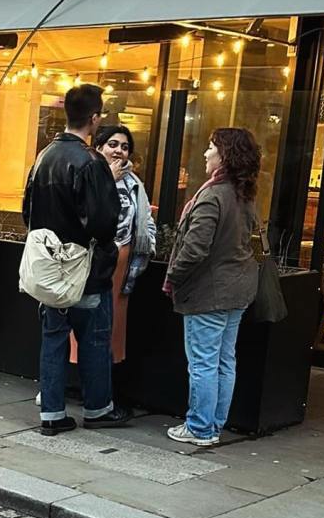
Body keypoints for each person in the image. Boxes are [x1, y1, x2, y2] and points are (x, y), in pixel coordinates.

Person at [23, 83, 132, 435]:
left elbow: (28, 211)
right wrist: (111, 185)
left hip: (49, 267)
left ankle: (52, 413)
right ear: (95, 118)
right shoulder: (90, 162)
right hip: (85, 268)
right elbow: (103, 222)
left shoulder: (44, 157)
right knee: (95, 340)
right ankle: (98, 408)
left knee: (53, 338)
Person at [165, 127, 260, 447]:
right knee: (223, 360)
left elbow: (194, 249)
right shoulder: (243, 193)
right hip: (238, 289)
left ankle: (200, 427)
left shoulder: (212, 195)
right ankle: (214, 424)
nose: (205, 153)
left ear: (225, 156)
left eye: (211, 148)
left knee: (203, 362)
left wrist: (174, 277)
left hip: (209, 291)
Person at [73, 125, 156, 366]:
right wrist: (108, 179)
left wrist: (146, 243)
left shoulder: (135, 184)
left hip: (123, 263)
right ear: (98, 147)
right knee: (82, 317)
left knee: (113, 321)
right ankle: (73, 377)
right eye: (113, 144)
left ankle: (104, 381)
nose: (119, 150)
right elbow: (85, 213)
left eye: (125, 147)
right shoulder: (87, 174)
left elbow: (145, 219)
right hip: (90, 260)